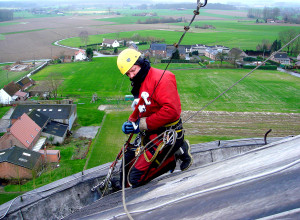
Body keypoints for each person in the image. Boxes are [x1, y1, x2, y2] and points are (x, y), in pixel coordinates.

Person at [112, 48, 193, 190]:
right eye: (128, 74)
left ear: (141, 63)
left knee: (135, 178)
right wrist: (131, 123)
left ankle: (174, 155)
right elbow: (144, 107)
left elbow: (172, 111)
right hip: (150, 133)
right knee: (126, 162)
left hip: (167, 133)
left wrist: (141, 124)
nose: (131, 76)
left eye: (133, 70)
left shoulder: (162, 78)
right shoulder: (140, 81)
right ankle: (123, 188)